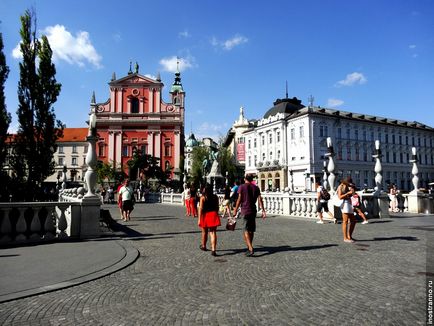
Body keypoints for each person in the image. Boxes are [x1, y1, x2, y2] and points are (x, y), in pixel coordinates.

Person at [233, 174, 266, 257]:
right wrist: (263, 210)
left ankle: (250, 248)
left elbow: (239, 199)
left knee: (245, 230)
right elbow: (260, 199)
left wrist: (235, 209)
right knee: (251, 230)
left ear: (245, 179)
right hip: (253, 210)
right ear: (252, 179)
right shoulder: (256, 187)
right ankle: (249, 246)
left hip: (245, 210)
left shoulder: (242, 187)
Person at [198, 184, 221, 256]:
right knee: (213, 233)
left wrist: (199, 219)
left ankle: (204, 245)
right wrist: (216, 214)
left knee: (204, 232)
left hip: (205, 215)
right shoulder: (215, 197)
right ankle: (213, 249)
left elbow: (200, 209)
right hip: (213, 214)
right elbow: (217, 207)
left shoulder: (203, 198)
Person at [337, 177, 356, 243]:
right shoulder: (341, 187)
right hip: (345, 204)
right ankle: (345, 237)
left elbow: (353, 194)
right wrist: (347, 193)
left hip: (349, 203)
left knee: (353, 220)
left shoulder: (349, 186)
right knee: (345, 221)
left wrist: (352, 191)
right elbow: (340, 197)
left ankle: (349, 236)